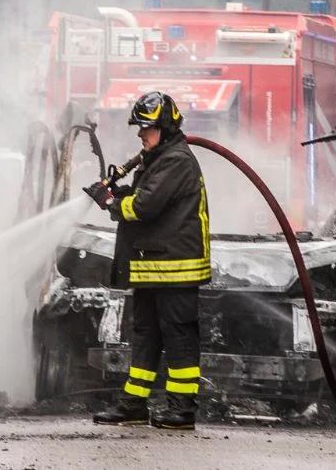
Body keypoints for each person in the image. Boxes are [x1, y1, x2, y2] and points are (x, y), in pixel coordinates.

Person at [87, 91, 211, 430]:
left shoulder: (176, 161)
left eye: (147, 128)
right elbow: (143, 198)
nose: (141, 135)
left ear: (167, 128)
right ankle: (133, 404)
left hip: (175, 268)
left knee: (178, 337)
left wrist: (111, 201)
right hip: (152, 266)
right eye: (140, 129)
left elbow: (143, 207)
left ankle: (181, 409)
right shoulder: (158, 159)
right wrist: (117, 195)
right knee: (145, 335)